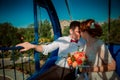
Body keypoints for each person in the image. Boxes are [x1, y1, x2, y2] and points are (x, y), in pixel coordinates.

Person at [16, 21, 85, 80]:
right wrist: (32, 46)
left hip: (73, 71)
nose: (80, 35)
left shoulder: (83, 42)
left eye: (81, 32)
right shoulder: (62, 40)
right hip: (59, 68)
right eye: (78, 32)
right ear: (70, 31)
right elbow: (47, 48)